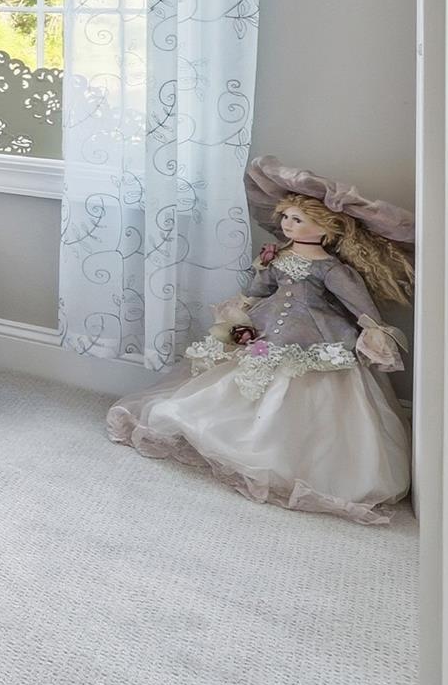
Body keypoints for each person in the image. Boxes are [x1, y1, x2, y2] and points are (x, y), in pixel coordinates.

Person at [105, 159, 413, 524]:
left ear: (327, 227)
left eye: (297, 219)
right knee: (241, 380)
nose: (287, 224)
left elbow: (356, 301)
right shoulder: (277, 256)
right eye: (286, 217)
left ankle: (288, 456)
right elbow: (260, 288)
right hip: (269, 326)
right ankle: (230, 434)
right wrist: (244, 306)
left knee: (308, 389)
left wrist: (372, 328)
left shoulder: (330, 268)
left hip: (314, 333)